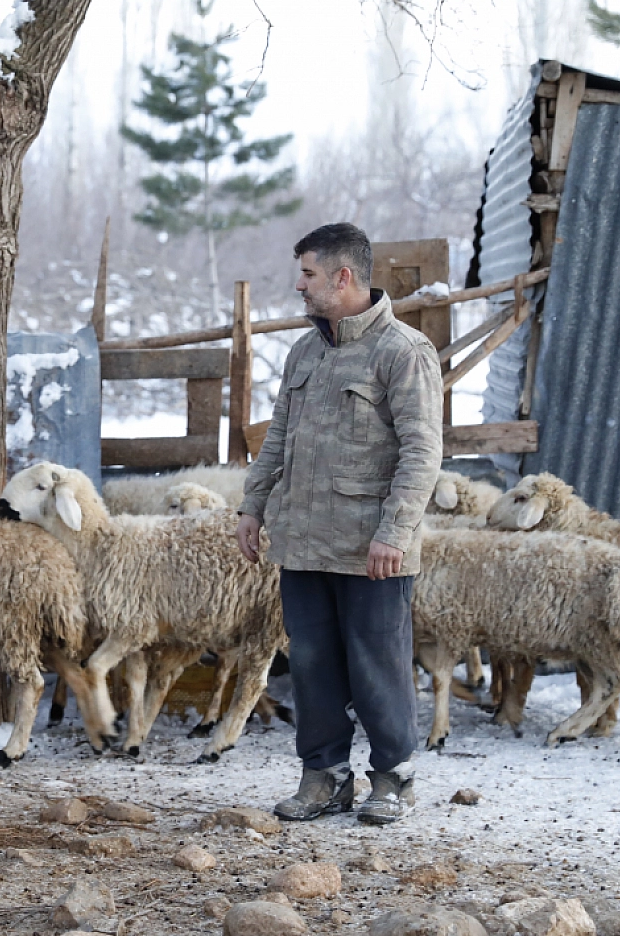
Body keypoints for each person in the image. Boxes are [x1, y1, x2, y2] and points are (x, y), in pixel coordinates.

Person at [235, 223, 442, 825]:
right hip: (302, 542)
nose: (298, 285)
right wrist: (253, 505)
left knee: (376, 666)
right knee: (312, 665)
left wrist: (395, 533)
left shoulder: (402, 352)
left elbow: (422, 453)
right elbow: (278, 436)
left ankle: (393, 780)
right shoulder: (305, 351)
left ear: (342, 277)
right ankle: (323, 778)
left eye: (308, 275)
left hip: (370, 547)